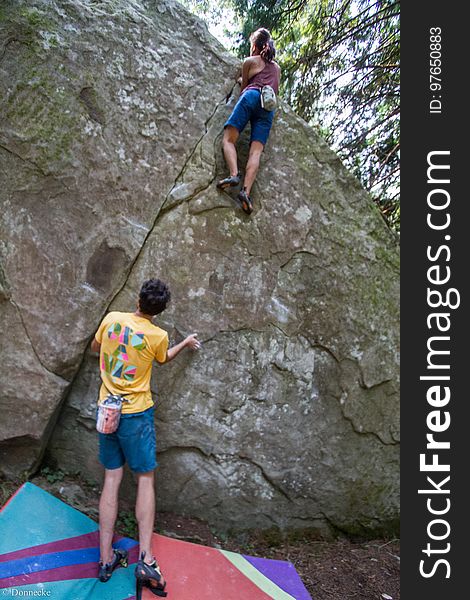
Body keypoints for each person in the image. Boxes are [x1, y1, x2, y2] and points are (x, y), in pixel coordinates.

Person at [91, 278, 200, 596]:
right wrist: (186, 342)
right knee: (145, 480)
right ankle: (146, 559)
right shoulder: (157, 335)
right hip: (136, 414)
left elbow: (97, 348)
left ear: (138, 299)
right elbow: (164, 358)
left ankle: (105, 558)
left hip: (107, 408)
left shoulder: (112, 319)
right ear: (161, 310)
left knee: (112, 477)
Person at [217, 28, 281, 214]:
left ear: (254, 45)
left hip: (251, 96)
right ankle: (246, 192)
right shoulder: (277, 69)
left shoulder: (250, 62)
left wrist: (240, 80)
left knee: (228, 139)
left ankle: (234, 175)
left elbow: (244, 85)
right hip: (267, 107)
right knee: (256, 152)